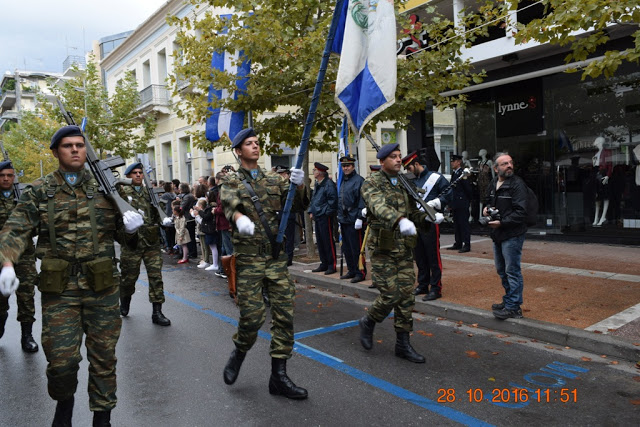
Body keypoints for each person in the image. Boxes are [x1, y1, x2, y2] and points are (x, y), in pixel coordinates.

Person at [0, 125, 143, 425]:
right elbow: (15, 229)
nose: (76, 149)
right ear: (56, 152)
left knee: (104, 358)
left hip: (102, 288)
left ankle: (102, 418)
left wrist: (132, 228)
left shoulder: (106, 189)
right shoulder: (40, 191)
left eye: (80, 144)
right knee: (61, 364)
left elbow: (127, 237)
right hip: (60, 290)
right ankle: (64, 404)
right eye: (68, 145)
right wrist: (7, 262)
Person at [220, 127, 308, 399]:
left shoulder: (274, 178)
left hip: (275, 258)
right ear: (238, 151)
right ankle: (239, 351)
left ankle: (278, 376)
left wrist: (300, 184)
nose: (256, 147)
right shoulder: (231, 181)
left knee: (284, 315)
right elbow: (229, 204)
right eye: (249, 144)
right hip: (248, 260)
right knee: (253, 317)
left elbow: (298, 205)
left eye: (257, 143)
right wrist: (239, 219)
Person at [358, 143, 434, 363]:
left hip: (404, 247)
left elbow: (412, 212)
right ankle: (369, 320)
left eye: (400, 156)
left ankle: (403, 343)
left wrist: (427, 217)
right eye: (393, 157)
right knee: (391, 294)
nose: (399, 160)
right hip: (383, 248)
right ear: (382, 162)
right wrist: (399, 220)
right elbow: (378, 207)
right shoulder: (372, 183)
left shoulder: (404, 182)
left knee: (407, 297)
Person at [118, 162, 171, 326]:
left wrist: (164, 217)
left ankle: (157, 312)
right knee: (128, 278)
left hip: (151, 241)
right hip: (131, 242)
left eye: (140, 172)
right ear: (128, 176)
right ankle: (125, 301)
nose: (138, 175)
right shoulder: (121, 192)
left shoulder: (151, 192)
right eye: (134, 173)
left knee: (156, 277)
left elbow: (158, 212)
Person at [0, 161, 39, 352]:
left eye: (9, 175)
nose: (6, 178)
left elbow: (35, 222)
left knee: (26, 296)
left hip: (24, 255)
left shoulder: (23, 197)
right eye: (2, 175)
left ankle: (27, 336)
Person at [484, 152, 528, 320]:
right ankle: (509, 300)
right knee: (502, 270)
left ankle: (514, 307)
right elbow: (488, 201)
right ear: (496, 168)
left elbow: (521, 212)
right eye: (504, 164)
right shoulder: (494, 183)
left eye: (510, 162)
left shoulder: (517, 185)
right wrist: (486, 209)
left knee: (512, 271)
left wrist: (502, 222)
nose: (509, 166)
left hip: (512, 233)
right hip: (498, 234)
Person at [402, 152, 450, 301]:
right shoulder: (411, 181)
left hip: (429, 222)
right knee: (420, 256)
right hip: (416, 222)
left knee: (432, 256)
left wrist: (437, 202)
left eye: (409, 168)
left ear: (416, 164)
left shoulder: (435, 178)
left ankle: (436, 287)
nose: (408, 172)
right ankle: (423, 284)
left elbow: (449, 194)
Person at [337, 154, 367, 283]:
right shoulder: (343, 180)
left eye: (348, 165)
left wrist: (360, 217)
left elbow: (362, 200)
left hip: (355, 219)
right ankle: (351, 270)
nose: (345, 168)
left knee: (357, 248)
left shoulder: (359, 180)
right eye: (343, 166)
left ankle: (360, 272)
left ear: (353, 166)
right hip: (344, 219)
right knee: (347, 247)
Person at [274, 165, 310, 267]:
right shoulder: (275, 186)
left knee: (289, 238)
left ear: (286, 174)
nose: (280, 176)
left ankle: (288, 258)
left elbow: (300, 204)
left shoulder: (291, 185)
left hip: (289, 216)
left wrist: (300, 186)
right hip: (277, 217)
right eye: (279, 174)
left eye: (282, 174)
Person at [309, 162, 338, 275]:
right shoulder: (318, 184)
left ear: (320, 172)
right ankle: (324, 263)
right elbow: (314, 199)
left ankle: (332, 264)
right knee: (320, 241)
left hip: (325, 217)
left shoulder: (328, 184)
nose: (313, 172)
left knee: (328, 241)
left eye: (314, 170)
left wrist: (326, 213)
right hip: (318, 216)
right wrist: (311, 211)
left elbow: (332, 201)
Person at [447, 154, 472, 253]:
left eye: (454, 161)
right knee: (457, 224)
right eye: (452, 161)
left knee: (463, 224)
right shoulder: (455, 173)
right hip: (456, 203)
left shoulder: (463, 174)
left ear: (459, 162)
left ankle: (466, 244)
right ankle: (458, 242)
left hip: (462, 202)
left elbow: (468, 189)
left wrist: (467, 201)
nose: (452, 163)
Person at [213, 172, 231, 278]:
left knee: (228, 249)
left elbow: (223, 207)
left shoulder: (223, 189)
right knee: (224, 248)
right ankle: (223, 270)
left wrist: (214, 210)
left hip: (225, 223)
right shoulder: (226, 189)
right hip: (225, 223)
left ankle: (230, 273)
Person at [592, 137, 612, 226]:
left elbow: (610, 165)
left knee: (605, 196)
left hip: (603, 175)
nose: (595, 142)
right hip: (597, 175)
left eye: (596, 141)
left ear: (599, 142)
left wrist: (608, 175)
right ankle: (596, 218)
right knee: (598, 197)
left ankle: (603, 216)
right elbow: (594, 165)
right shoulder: (596, 153)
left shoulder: (607, 152)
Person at [179, 183, 198, 259]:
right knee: (190, 236)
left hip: (188, 218)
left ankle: (192, 252)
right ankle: (191, 252)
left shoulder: (187, 197)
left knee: (190, 236)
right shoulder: (188, 196)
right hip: (189, 218)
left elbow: (182, 207)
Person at [160, 182, 177, 255]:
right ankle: (174, 247)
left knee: (167, 233)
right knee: (173, 233)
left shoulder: (164, 195)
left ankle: (169, 247)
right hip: (173, 214)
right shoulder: (174, 195)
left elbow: (161, 205)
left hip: (166, 215)